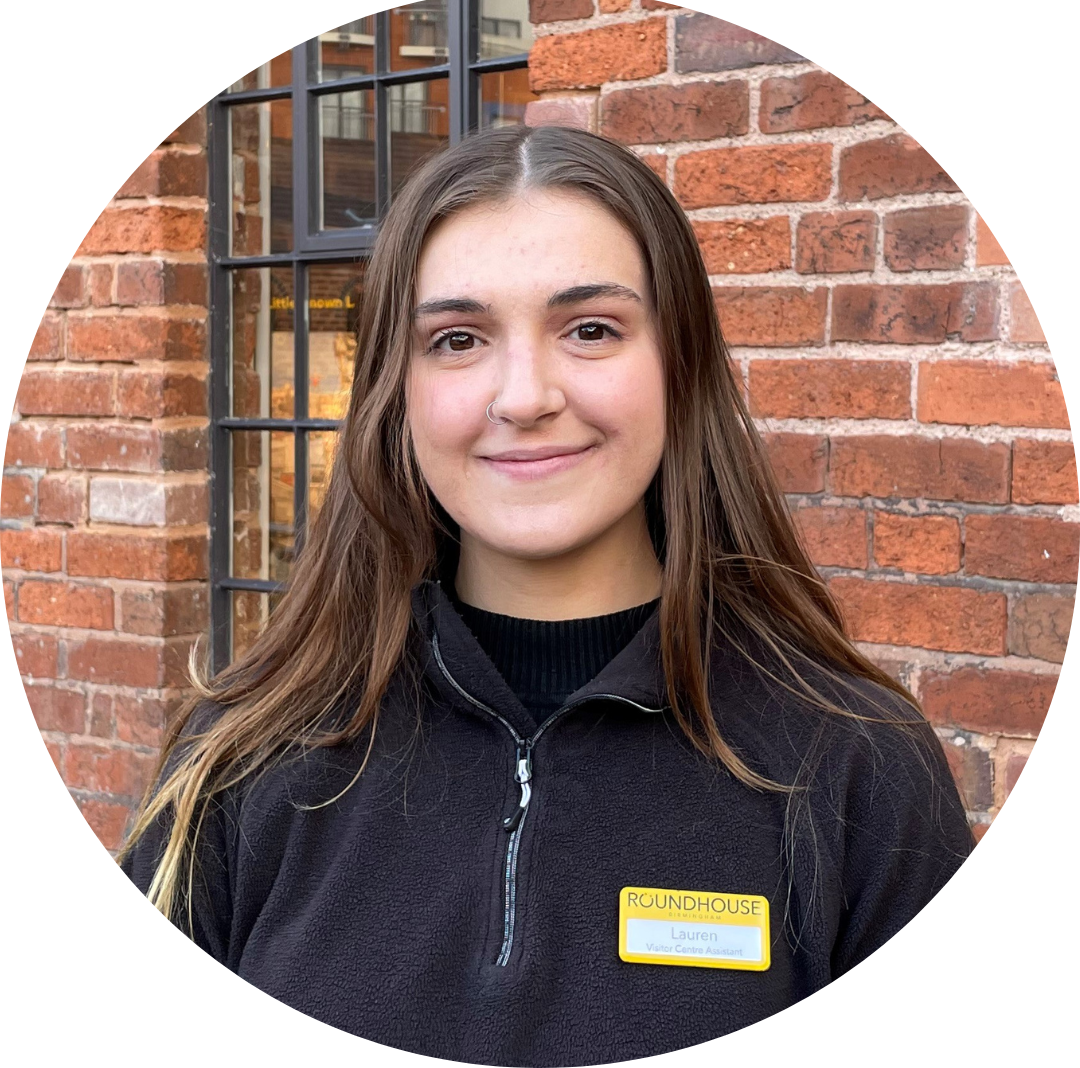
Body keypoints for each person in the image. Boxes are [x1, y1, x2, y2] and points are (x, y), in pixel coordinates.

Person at [119, 123, 973, 1062]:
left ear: (679, 366)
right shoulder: (242, 758)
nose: (523, 395)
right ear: (394, 392)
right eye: (456, 338)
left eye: (591, 328)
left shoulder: (856, 769)